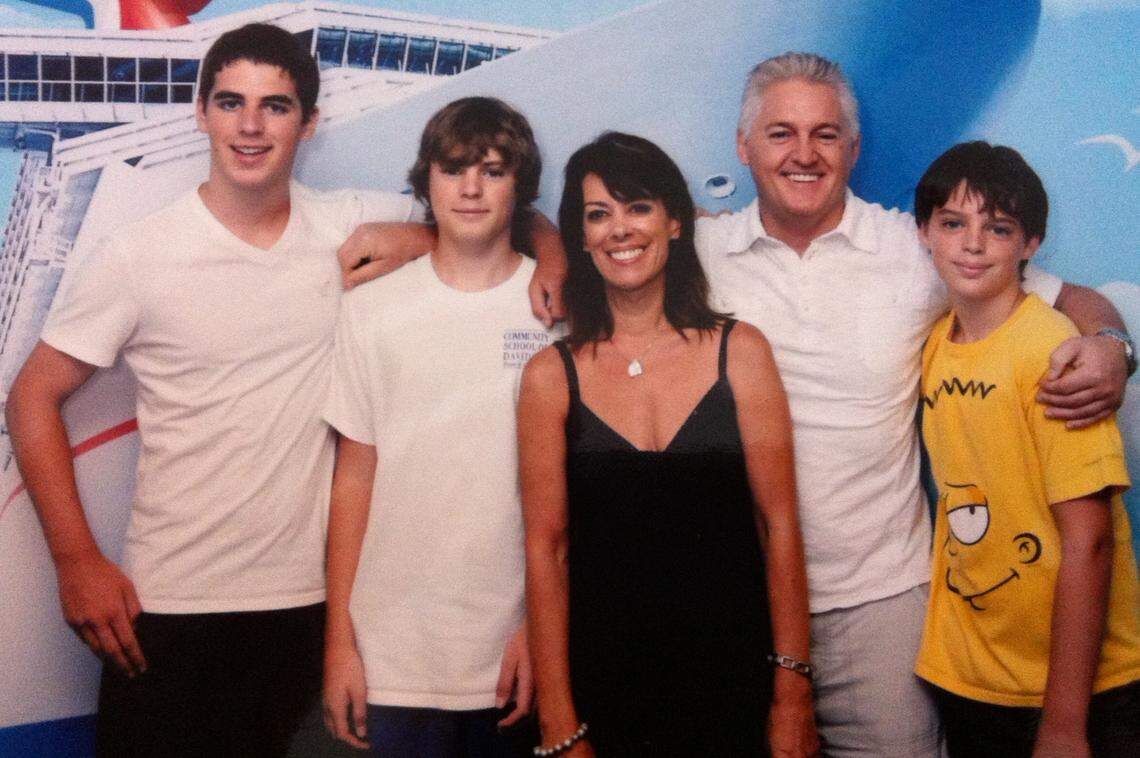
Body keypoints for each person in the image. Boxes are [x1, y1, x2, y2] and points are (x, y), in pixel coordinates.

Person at [688, 52, 1134, 756]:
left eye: (826, 134)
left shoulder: (915, 245)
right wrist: (543, 244)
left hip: (883, 603)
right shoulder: (699, 252)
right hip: (742, 599)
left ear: (854, 149)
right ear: (743, 147)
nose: (804, 154)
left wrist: (1111, 343)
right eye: (780, 133)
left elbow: (1059, 295)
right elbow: (586, 231)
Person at [3, 23, 425, 757]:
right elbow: (30, 397)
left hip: (309, 612)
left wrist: (428, 241)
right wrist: (76, 562)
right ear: (201, 113)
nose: (251, 125)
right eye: (231, 102)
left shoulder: (344, 223)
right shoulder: (140, 254)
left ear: (310, 121)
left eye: (277, 106)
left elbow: (497, 224)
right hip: (168, 613)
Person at [521, 132, 817, 757]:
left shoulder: (742, 353)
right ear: (580, 236)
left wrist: (792, 694)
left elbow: (780, 524)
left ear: (675, 221)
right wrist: (558, 718)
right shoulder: (550, 377)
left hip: (735, 685)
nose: (619, 230)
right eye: (597, 214)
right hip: (605, 693)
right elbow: (547, 553)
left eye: (638, 207)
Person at [321, 96, 553, 758]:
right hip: (393, 654)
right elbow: (353, 481)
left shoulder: (554, 310)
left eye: (493, 169)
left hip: (515, 651)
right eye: (454, 169)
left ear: (522, 185)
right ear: (426, 182)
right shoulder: (373, 312)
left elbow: (571, 493)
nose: (473, 188)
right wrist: (340, 641)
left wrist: (538, 626)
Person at [913, 141, 1140, 758]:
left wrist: (1064, 724)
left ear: (1031, 245)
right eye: (953, 223)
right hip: (978, 680)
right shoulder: (937, 343)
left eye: (999, 227)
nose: (973, 243)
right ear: (924, 233)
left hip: (1079, 691)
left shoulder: (1054, 350)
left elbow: (1090, 540)